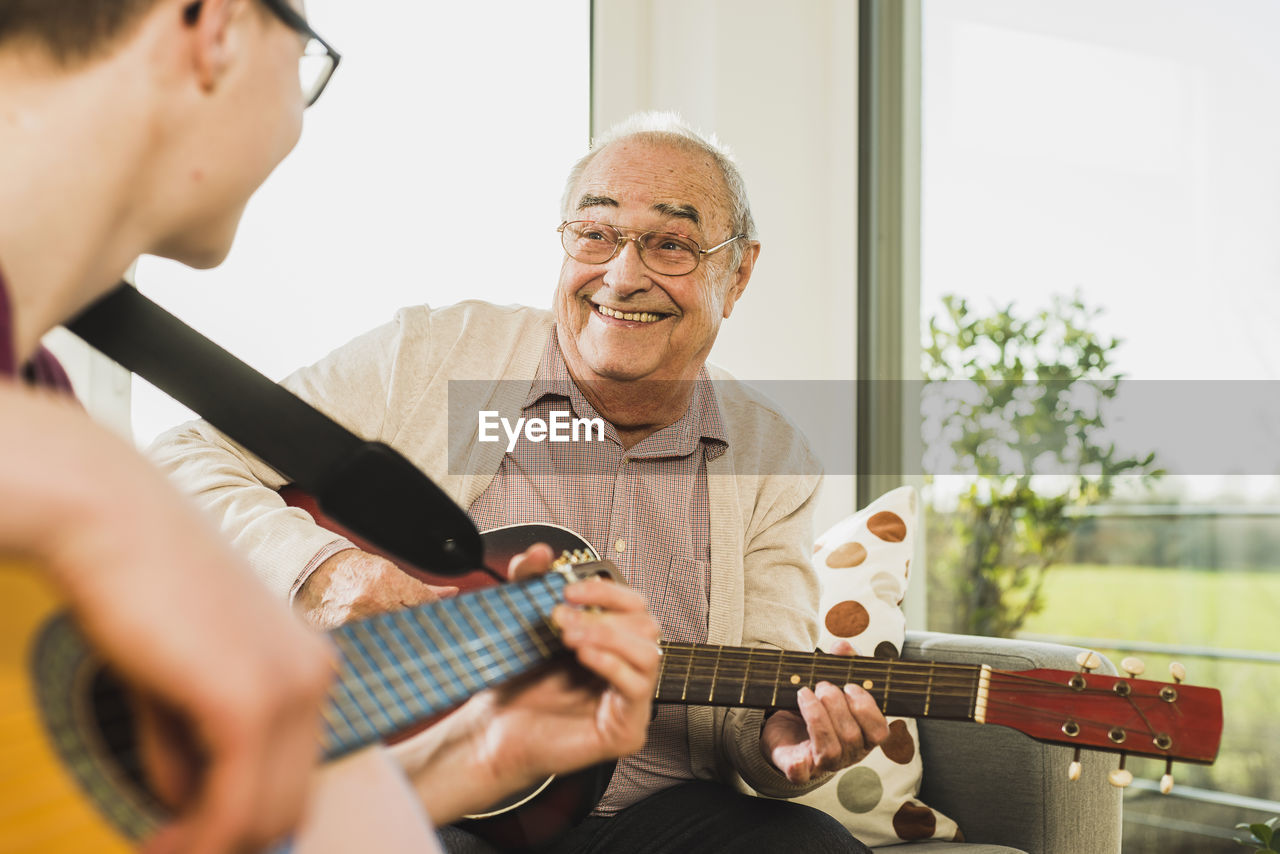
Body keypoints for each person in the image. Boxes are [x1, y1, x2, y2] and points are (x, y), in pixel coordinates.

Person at [0, 2, 658, 851]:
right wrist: (101, 487)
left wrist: (461, 755)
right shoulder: (61, 462)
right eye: (306, 56)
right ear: (217, 29)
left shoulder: (38, 390)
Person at [152, 112, 887, 853]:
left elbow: (754, 709)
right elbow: (186, 457)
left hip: (659, 819)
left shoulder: (773, 453)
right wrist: (324, 574)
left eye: (671, 244)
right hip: (428, 796)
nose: (624, 275)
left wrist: (784, 749)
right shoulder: (431, 355)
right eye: (595, 235)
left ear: (739, 273)